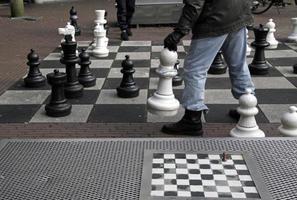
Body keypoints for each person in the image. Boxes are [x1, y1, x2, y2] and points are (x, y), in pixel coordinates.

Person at [162, 0, 255, 136]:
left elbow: (195, 4)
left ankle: (192, 119)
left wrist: (179, 32)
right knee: (238, 64)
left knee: (195, 69)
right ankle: (248, 106)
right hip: (238, 14)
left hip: (214, 21)